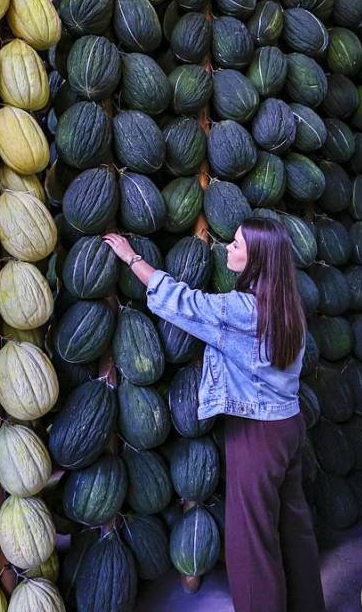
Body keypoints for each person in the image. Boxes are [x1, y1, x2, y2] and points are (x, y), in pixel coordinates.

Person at [104, 218, 326, 612]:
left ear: (256, 259)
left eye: (236, 245)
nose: (227, 248)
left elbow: (182, 301)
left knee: (250, 538)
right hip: (289, 424)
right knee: (294, 525)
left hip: (257, 434)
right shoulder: (287, 303)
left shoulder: (241, 309)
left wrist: (132, 258)